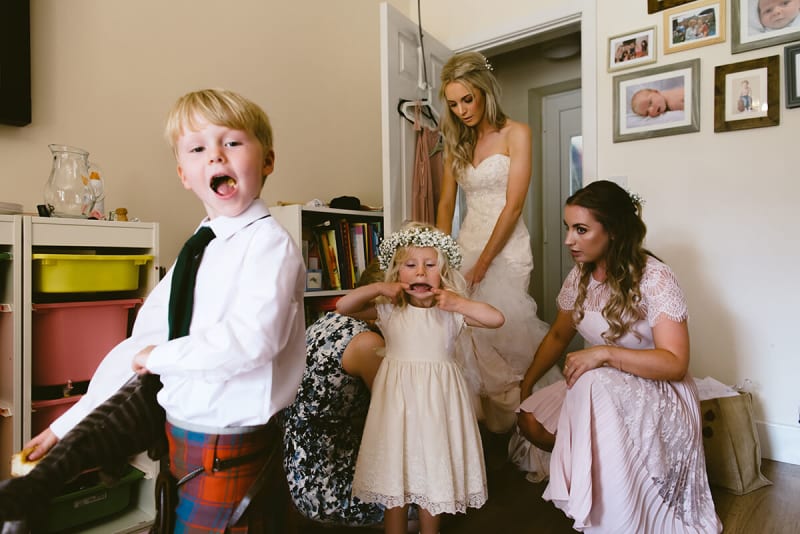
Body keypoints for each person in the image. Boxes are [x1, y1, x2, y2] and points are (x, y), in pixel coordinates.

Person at [1, 88, 307, 533]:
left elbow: (253, 340)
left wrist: (159, 359)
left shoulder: (269, 247)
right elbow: (141, 345)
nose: (216, 157)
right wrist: (67, 424)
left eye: (233, 143)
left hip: (227, 444)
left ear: (268, 161)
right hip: (181, 434)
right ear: (184, 174)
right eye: (199, 148)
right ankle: (45, 480)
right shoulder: (200, 245)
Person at [513, 180, 722, 533]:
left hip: (657, 390)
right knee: (529, 420)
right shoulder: (580, 276)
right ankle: (604, 489)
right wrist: (528, 382)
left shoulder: (654, 277)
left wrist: (605, 354)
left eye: (581, 229)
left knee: (592, 379)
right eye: (568, 228)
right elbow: (560, 335)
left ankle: (623, 513)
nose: (568, 240)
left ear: (612, 231)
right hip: (601, 388)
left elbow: (675, 363)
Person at [336, 222, 504, 534]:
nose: (420, 273)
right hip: (397, 407)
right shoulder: (388, 309)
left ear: (442, 272)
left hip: (438, 404)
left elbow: (496, 319)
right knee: (394, 469)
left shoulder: (451, 312)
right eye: (410, 266)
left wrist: (458, 302)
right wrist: (377, 288)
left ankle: (431, 529)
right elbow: (344, 306)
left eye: (430, 266)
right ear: (397, 273)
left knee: (432, 469)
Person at [436, 51, 556, 435]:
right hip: (466, 241)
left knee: (508, 334)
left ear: (485, 91)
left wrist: (484, 262)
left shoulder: (516, 133)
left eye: (467, 99)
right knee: (467, 336)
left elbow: (514, 204)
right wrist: (440, 256)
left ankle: (538, 427)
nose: (461, 111)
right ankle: (484, 429)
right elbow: (445, 203)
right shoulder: (456, 141)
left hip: (505, 247)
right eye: (453, 104)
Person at [281, 261, 386, 527]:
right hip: (327, 484)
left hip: (295, 468)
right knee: (429, 508)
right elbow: (393, 417)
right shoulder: (368, 343)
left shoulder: (328, 321)